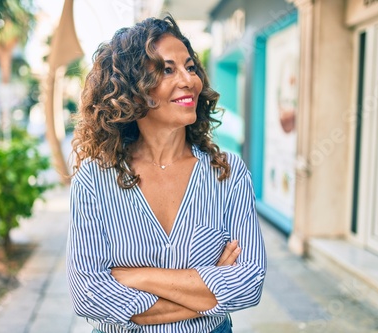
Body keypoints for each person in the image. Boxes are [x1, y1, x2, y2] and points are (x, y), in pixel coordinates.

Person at [67, 15, 266, 333]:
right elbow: (89, 295)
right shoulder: (94, 178)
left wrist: (137, 276)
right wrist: (209, 284)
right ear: (133, 91)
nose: (189, 80)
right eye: (167, 70)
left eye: (190, 67)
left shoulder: (227, 172)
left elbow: (248, 283)